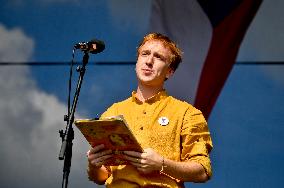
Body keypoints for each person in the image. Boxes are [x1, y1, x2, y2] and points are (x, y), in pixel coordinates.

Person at [86, 33, 213, 187]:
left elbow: (202, 171)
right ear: (137, 62)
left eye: (159, 57)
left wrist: (161, 164)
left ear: (169, 72)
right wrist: (94, 165)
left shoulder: (188, 113)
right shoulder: (113, 111)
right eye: (144, 54)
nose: (149, 61)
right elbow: (101, 177)